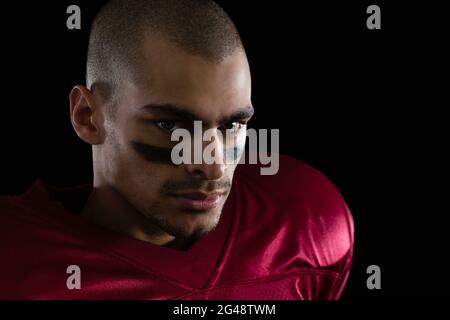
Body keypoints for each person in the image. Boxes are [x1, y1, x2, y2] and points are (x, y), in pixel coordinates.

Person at [0, 0, 354, 299]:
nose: (213, 166)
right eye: (170, 126)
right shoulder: (15, 262)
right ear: (88, 117)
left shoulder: (306, 221)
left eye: (232, 126)